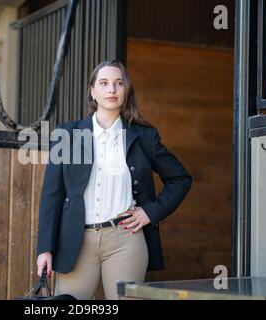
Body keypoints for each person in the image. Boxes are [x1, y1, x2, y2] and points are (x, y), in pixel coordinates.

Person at [36, 60, 192, 300]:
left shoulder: (145, 137)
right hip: (76, 240)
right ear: (92, 91)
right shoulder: (67, 134)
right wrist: (45, 248)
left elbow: (180, 179)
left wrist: (149, 212)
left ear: (126, 91)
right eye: (104, 83)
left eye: (119, 83)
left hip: (125, 241)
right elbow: (52, 194)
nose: (112, 89)